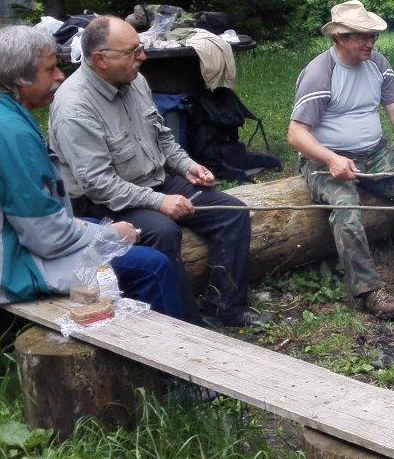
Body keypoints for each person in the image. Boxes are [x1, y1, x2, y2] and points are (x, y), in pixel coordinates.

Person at [0, 26, 182, 320]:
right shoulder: (8, 132)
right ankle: (176, 354)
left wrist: (96, 230)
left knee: (102, 228)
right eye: (51, 69)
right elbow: (46, 237)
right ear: (20, 78)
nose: (60, 76)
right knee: (151, 266)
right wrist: (110, 235)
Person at [49, 16, 269, 329]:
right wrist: (160, 203)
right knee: (163, 231)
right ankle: (186, 326)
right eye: (132, 52)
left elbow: (162, 136)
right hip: (105, 202)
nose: (142, 57)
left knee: (232, 213)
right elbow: (98, 185)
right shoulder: (75, 108)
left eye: (140, 48)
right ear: (100, 59)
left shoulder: (134, 80)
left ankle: (225, 308)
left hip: (153, 182)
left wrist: (187, 165)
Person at [288, 0, 394, 320]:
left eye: (373, 36)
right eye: (361, 37)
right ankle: (369, 291)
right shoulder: (320, 73)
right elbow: (296, 135)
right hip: (325, 160)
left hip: (375, 153)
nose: (370, 43)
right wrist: (331, 159)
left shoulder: (378, 64)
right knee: (346, 206)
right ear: (340, 38)